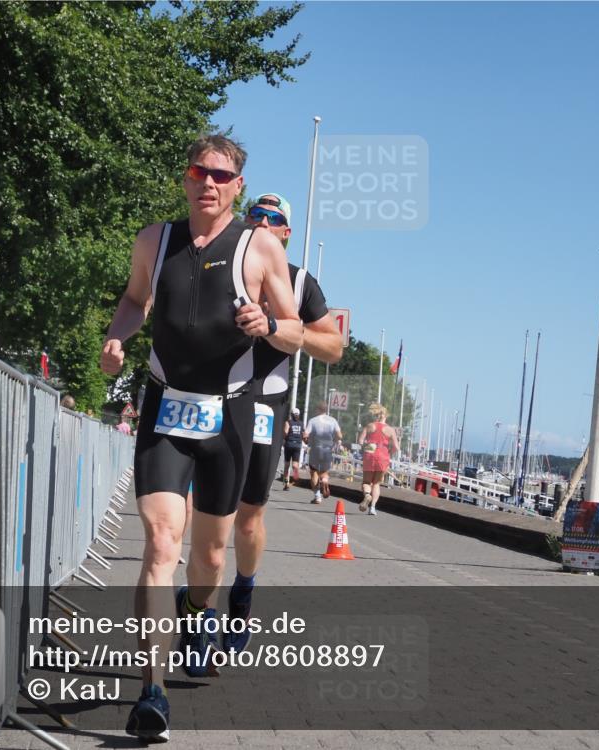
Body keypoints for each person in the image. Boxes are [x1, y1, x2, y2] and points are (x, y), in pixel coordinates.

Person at [99, 135, 302, 743]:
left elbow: (293, 330)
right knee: (162, 542)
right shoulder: (154, 240)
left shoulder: (260, 246)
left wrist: (267, 323)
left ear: (236, 186)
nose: (207, 183)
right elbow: (136, 301)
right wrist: (117, 337)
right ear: (185, 179)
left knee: (209, 557)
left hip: (228, 416)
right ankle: (152, 692)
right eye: (198, 172)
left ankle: (199, 610)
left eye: (221, 175)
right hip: (165, 406)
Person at [223, 193, 342, 652]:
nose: (262, 222)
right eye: (255, 214)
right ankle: (201, 612)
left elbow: (333, 348)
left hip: (264, 406)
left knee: (248, 519)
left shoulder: (299, 282)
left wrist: (282, 328)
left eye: (274, 218)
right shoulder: (222, 263)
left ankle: (244, 591)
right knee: (208, 515)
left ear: (286, 232)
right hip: (214, 399)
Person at [357, 403, 400, 515]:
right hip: (383, 455)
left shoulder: (369, 426)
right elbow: (396, 447)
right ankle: (373, 508)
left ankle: (367, 495)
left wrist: (367, 447)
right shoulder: (390, 430)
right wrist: (389, 452)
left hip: (370, 453)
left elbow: (360, 441)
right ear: (386, 416)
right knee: (376, 483)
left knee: (366, 482)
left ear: (376, 415)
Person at [304, 403, 342, 504]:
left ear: (318, 410)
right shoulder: (333, 420)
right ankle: (324, 480)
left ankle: (317, 496)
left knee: (314, 472)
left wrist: (306, 441)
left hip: (315, 449)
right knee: (324, 472)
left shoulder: (313, 420)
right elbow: (339, 435)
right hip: (327, 449)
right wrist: (335, 442)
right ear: (326, 410)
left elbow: (305, 434)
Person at [282, 406, 305, 490]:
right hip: (297, 446)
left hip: (289, 445)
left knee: (287, 465)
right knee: (295, 465)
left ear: (291, 414)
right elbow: (304, 434)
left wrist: (283, 437)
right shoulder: (302, 423)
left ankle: (286, 483)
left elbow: (285, 432)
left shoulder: (288, 422)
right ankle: (295, 475)